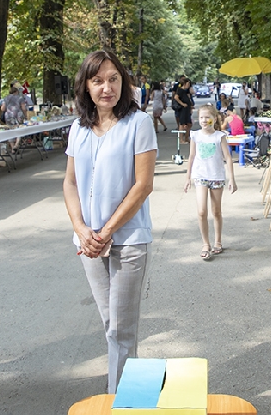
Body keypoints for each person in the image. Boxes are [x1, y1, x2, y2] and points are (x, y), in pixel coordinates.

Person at [62, 50, 157, 393]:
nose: (107, 87)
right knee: (111, 326)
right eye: (98, 80)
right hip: (88, 244)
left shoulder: (139, 124)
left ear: (124, 82)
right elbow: (70, 182)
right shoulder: (78, 128)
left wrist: (106, 231)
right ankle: (130, 394)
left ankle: (120, 399)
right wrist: (81, 229)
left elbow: (143, 185)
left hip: (128, 241)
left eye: (114, 79)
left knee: (121, 330)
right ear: (86, 86)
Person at [183, 105, 236, 260]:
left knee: (216, 211)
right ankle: (205, 243)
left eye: (207, 117)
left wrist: (232, 178)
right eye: (201, 118)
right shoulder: (195, 135)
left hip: (217, 176)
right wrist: (187, 178)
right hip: (200, 176)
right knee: (201, 211)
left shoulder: (220, 136)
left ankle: (217, 241)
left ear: (214, 118)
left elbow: (228, 157)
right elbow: (191, 157)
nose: (204, 120)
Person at [173, 78, 194, 143]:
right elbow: (176, 97)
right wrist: (182, 104)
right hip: (183, 110)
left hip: (187, 109)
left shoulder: (185, 91)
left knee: (189, 124)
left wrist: (190, 106)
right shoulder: (180, 90)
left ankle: (186, 138)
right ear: (184, 84)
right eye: (188, 84)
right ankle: (181, 139)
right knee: (182, 124)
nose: (188, 85)